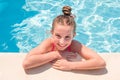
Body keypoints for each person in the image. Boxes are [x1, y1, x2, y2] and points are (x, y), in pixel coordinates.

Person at [22, 6, 106, 71]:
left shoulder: (74, 45)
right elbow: (26, 63)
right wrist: (56, 54)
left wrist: (70, 66)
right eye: (58, 36)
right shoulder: (49, 44)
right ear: (52, 33)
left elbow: (100, 62)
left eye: (67, 37)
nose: (62, 42)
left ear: (73, 36)